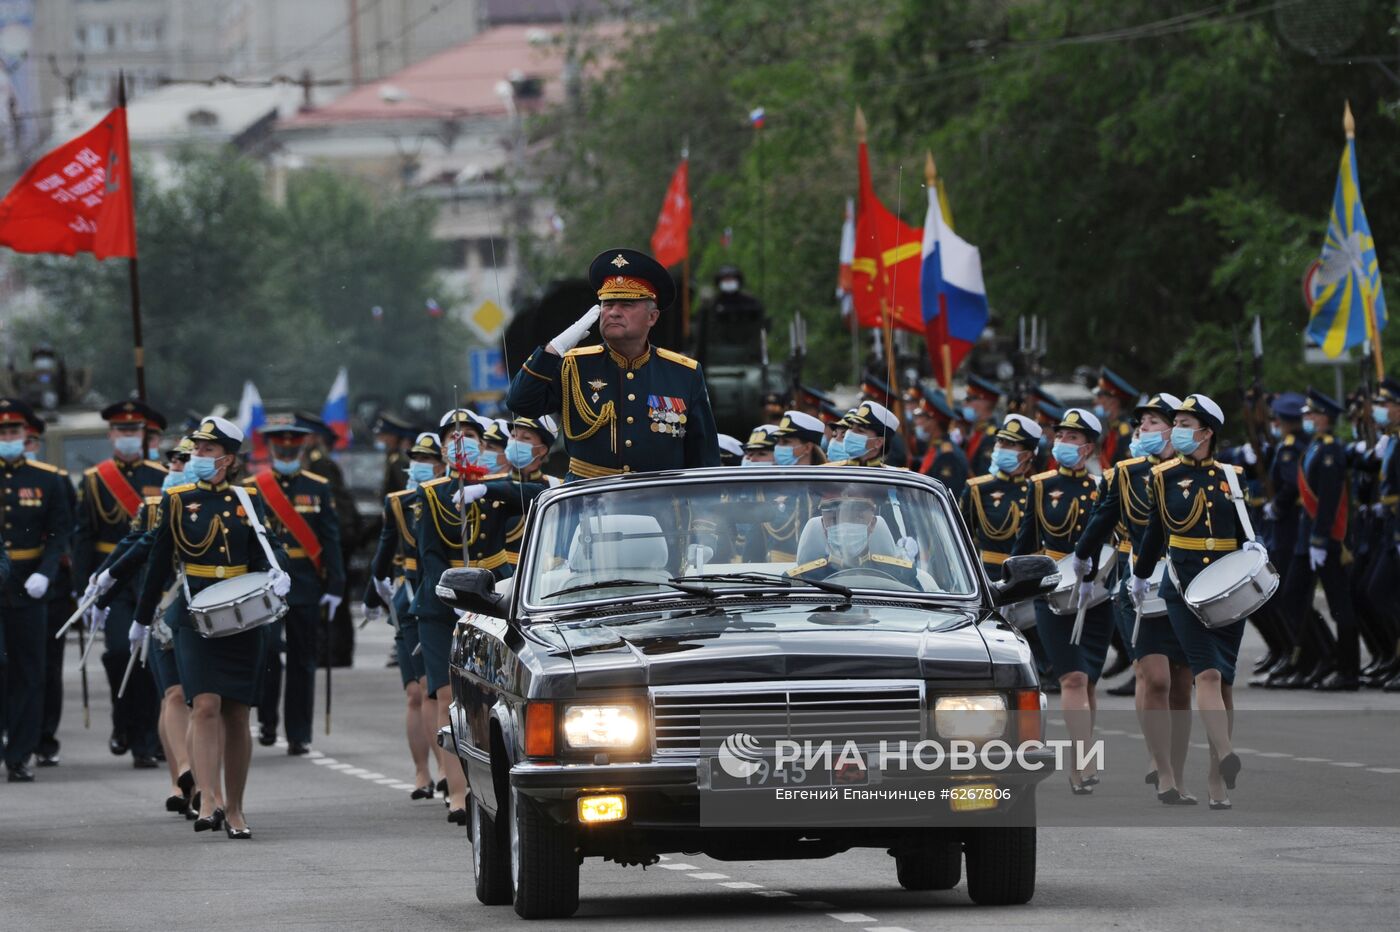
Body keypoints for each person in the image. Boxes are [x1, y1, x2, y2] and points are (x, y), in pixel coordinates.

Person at [132, 416, 292, 837]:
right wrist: (141, 617)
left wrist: (280, 572)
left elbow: (268, 548)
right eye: (196, 449)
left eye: (205, 450)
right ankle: (207, 798)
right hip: (195, 617)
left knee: (238, 712)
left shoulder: (249, 497)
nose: (197, 457)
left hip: (243, 616)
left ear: (228, 458)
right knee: (203, 705)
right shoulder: (179, 500)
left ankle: (236, 809)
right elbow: (157, 563)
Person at [1131, 394, 1254, 809]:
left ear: (1207, 432)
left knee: (1228, 682)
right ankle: (1226, 753)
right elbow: (1154, 533)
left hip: (1228, 590)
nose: (1179, 430)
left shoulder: (1233, 476)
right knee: (1207, 675)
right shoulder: (1162, 476)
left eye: (1186, 423)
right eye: (1177, 422)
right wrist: (1140, 575)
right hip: (1183, 589)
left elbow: (1248, 535)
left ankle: (1217, 779)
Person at [1075, 393, 1196, 804]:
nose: (1143, 430)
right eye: (1141, 423)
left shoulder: (1193, 474)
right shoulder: (1123, 474)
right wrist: (1082, 562)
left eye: (1154, 423)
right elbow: (1099, 523)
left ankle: (1174, 770)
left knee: (1181, 682)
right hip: (1136, 582)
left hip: (1181, 582)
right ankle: (1162, 769)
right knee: (1154, 676)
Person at [507, 247, 720, 480]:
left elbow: (704, 458)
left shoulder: (684, 373)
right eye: (607, 304)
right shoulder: (573, 366)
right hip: (590, 502)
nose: (613, 312)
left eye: (626, 304)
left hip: (660, 504)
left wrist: (702, 516)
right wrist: (554, 349)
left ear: (652, 317)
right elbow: (520, 402)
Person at [1013, 407, 1112, 794]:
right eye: (1060, 436)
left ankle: (1083, 759)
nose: (1063, 443)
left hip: (1095, 592)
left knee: (1088, 681)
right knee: (1071, 677)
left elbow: (1115, 539)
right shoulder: (1039, 485)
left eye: (1072, 438)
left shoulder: (1104, 487)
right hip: (1053, 592)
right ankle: (1081, 766)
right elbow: (1025, 542)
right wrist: (1012, 585)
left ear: (1087, 447)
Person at [99, 438, 198, 814]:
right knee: (173, 695)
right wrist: (99, 588)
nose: (179, 467)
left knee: (203, 702)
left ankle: (204, 782)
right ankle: (180, 780)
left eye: (187, 461)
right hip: (162, 611)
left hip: (205, 612)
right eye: (174, 462)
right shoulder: (155, 507)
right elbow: (133, 548)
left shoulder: (226, 504)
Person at [73, 400, 169, 767]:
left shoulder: (160, 476)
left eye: (135, 431)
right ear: (112, 435)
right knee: (118, 654)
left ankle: (144, 741)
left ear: (144, 436)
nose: (129, 437)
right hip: (112, 580)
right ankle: (122, 719)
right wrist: (83, 588)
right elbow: (84, 538)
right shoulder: (95, 479)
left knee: (147, 659)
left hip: (150, 578)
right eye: (122, 431)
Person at [410, 408, 491, 826]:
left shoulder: (492, 489)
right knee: (446, 695)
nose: (460, 441)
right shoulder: (431, 494)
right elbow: (428, 553)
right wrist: (453, 592)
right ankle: (456, 791)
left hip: (490, 602)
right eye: (451, 437)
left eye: (469, 435)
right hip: (441, 606)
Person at [246, 415, 345, 755]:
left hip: (305, 580)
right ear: (272, 449)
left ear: (301, 450)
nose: (286, 454)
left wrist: (335, 585)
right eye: (280, 449)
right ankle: (268, 722)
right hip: (265, 582)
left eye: (292, 449)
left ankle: (299, 732)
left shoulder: (317, 486)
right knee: (269, 651)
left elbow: (330, 537)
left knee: (304, 659)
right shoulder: (253, 487)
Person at [366, 431, 443, 799]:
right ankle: (422, 771)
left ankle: (448, 769)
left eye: (429, 460)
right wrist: (371, 595)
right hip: (407, 594)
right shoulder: (398, 503)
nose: (420, 467)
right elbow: (383, 553)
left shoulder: (450, 498)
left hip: (442, 593)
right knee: (416, 691)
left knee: (435, 689)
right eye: (416, 460)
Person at [0, 398, 73, 782]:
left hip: (29, 583)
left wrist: (46, 572)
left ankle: (20, 754)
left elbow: (61, 531)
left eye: (13, 431)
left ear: (26, 434)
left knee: (30, 670)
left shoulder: (48, 478)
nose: (8, 437)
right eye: (2, 432)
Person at [1267, 389, 1359, 691]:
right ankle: (1323, 657)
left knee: (1340, 605)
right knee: (1291, 598)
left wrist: (1320, 539)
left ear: (1324, 417)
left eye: (1311, 414)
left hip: (1325, 539)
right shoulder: (1318, 446)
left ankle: (1347, 671)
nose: (1306, 419)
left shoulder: (1331, 449)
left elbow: (1330, 501)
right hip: (1308, 540)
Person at [26, 409, 77, 768]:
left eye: (29, 440)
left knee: (47, 666)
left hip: (50, 585)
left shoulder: (55, 480)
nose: (21, 445)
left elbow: (67, 533)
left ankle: (44, 737)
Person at [787, 487, 918, 586]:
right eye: (834, 519)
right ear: (823, 526)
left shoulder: (901, 576)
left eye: (856, 517)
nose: (844, 525)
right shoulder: (800, 580)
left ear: (872, 524)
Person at [913, 394, 969, 496]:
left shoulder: (947, 456)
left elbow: (945, 496)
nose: (917, 421)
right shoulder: (935, 447)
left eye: (921, 416)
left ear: (933, 421)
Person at [827, 401, 901, 468]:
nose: (850, 433)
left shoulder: (894, 478)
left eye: (860, 430)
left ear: (878, 442)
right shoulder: (829, 471)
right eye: (851, 428)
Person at [1094, 367, 1138, 469]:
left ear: (1114, 401)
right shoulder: (1112, 427)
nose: (1096, 402)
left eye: (1100, 397)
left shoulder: (1125, 429)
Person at [961, 375, 1002, 477]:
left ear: (983, 403)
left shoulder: (992, 436)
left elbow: (984, 476)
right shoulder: (977, 430)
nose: (964, 404)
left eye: (968, 399)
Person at [373, 413, 417, 498]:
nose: (381, 440)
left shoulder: (402, 459)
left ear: (394, 436)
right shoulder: (392, 455)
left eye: (383, 436)